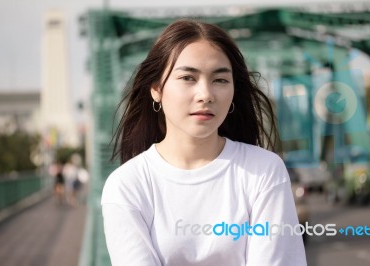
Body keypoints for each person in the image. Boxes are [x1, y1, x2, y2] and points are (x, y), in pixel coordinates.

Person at [101, 19, 307, 266]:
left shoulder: (263, 171)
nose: (206, 95)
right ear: (156, 88)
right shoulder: (127, 185)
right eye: (188, 77)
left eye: (220, 80)